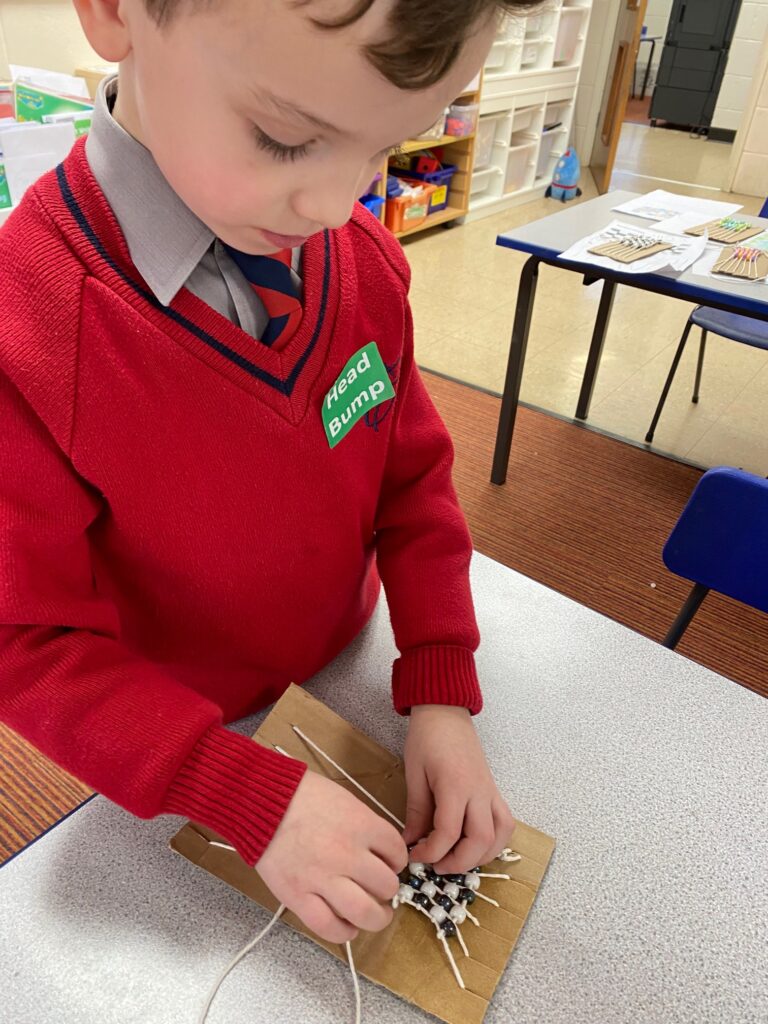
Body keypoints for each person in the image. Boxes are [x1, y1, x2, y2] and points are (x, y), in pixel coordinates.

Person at [0, 0, 536, 944]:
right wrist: (232, 787)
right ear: (118, 13)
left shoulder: (360, 263)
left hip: (357, 673)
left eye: (385, 149)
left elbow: (410, 484)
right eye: (287, 138)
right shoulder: (29, 332)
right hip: (178, 742)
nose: (338, 207)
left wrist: (441, 682)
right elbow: (23, 640)